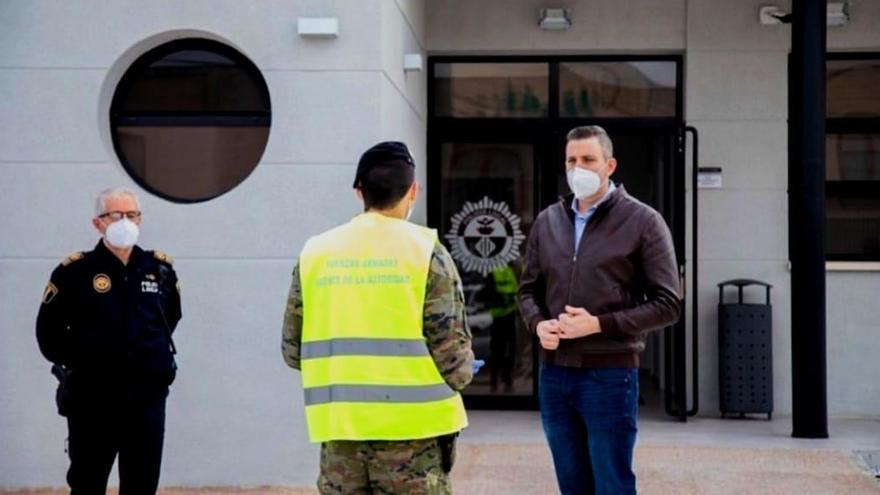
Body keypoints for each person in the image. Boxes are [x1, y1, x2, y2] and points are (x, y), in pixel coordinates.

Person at [281, 141, 474, 494]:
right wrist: (465, 372)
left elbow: (292, 351)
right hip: (415, 440)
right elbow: (453, 359)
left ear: (359, 192)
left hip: (341, 435)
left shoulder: (316, 253)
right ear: (413, 191)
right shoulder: (427, 252)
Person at [517, 126, 681, 495]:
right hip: (554, 374)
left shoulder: (643, 221)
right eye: (571, 160)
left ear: (609, 165)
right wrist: (537, 323)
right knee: (572, 484)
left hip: (609, 376)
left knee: (611, 484)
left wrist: (599, 325)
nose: (579, 168)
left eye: (588, 159)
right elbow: (527, 290)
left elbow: (668, 304)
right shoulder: (548, 221)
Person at [36, 187, 181, 495]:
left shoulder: (159, 269)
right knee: (88, 482)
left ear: (140, 220)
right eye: (115, 215)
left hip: (146, 401)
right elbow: (49, 334)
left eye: (131, 215)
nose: (124, 222)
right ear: (97, 223)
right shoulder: (74, 272)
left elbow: (170, 319)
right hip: (93, 401)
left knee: (141, 484)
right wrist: (88, 361)